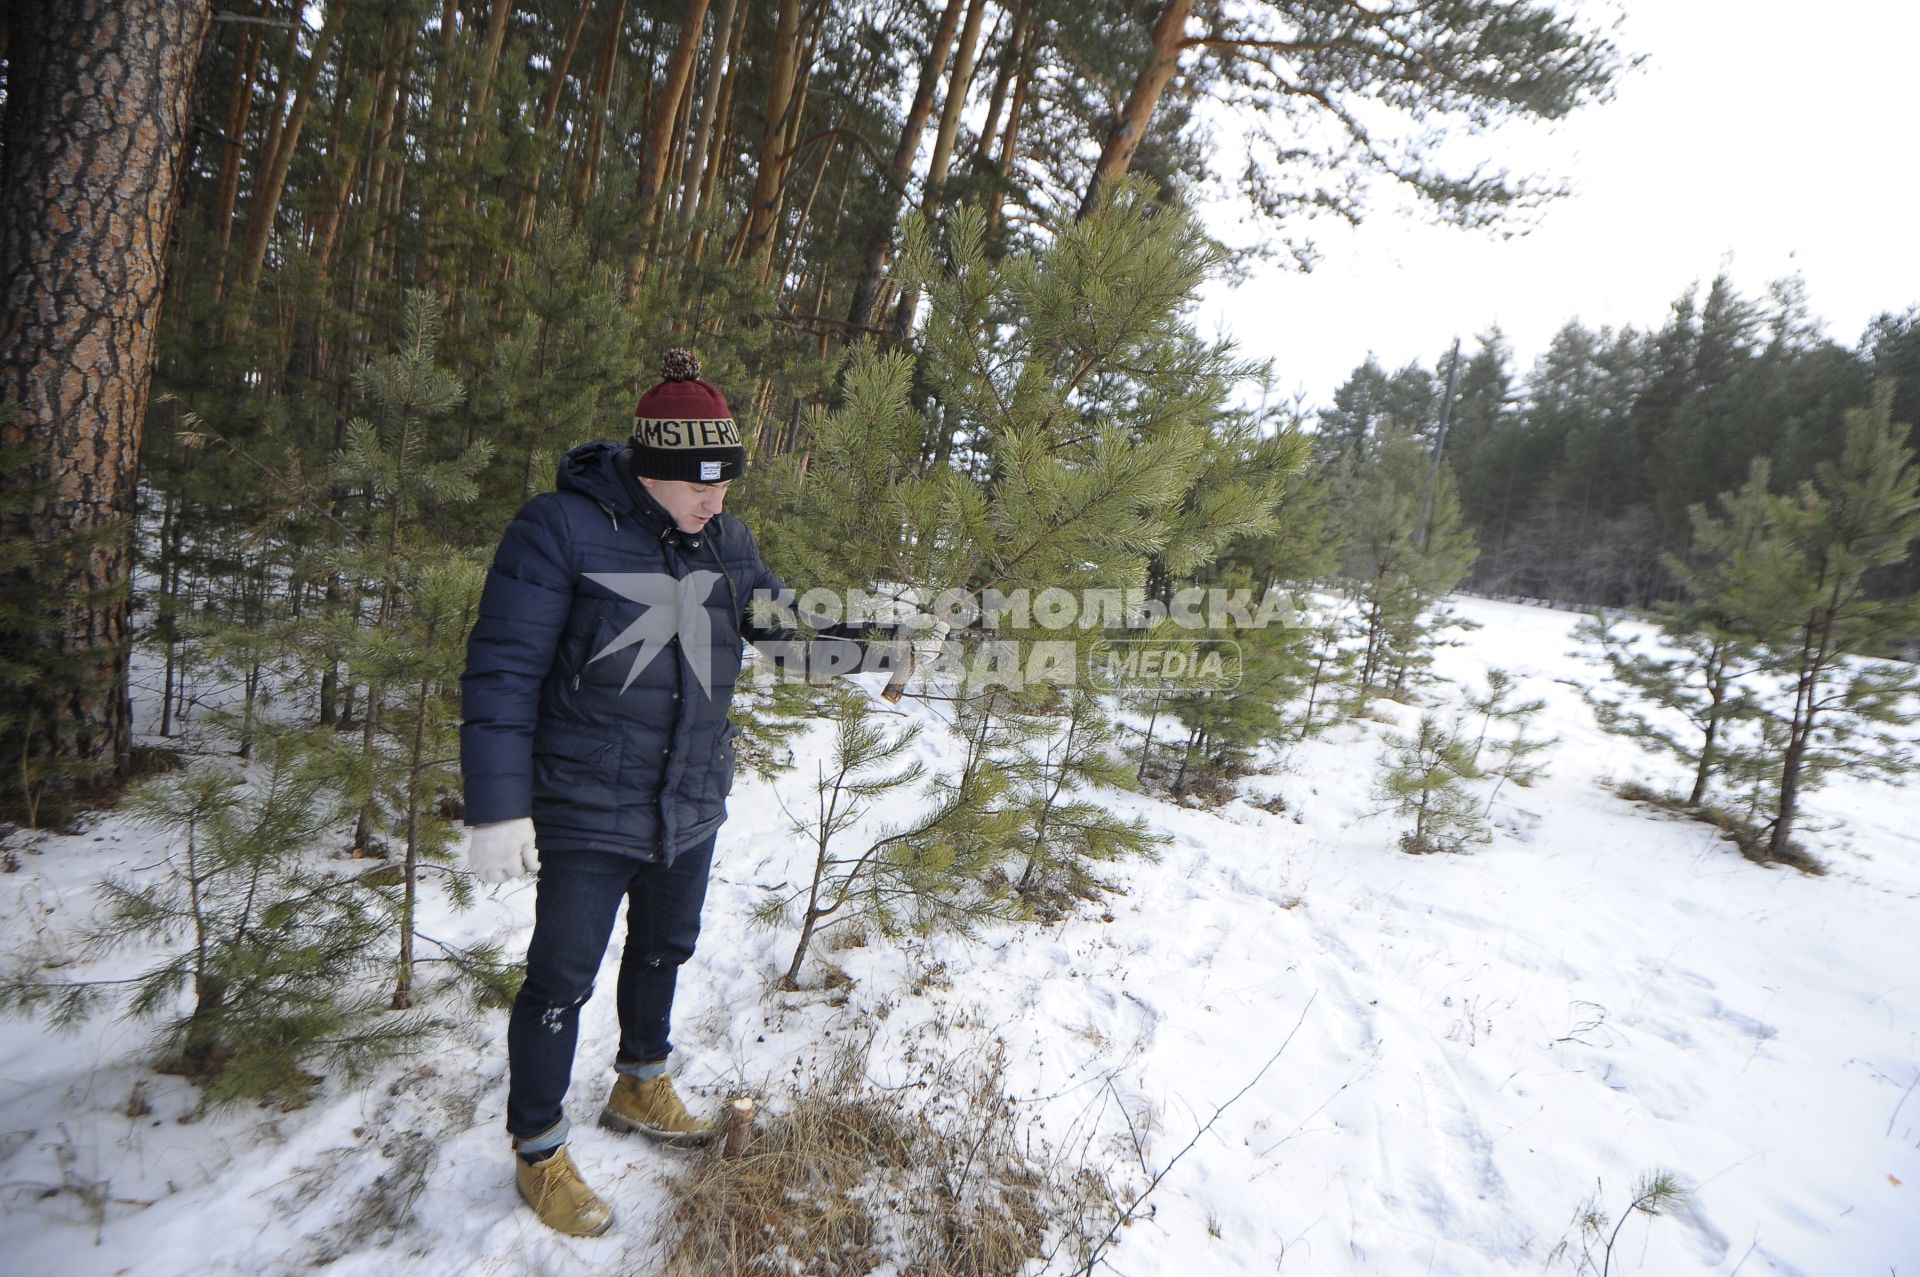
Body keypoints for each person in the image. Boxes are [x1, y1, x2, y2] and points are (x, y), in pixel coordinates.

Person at [459, 350, 894, 1236]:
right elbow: (501, 671)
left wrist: (872, 644)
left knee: (666, 948)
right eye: (701, 485)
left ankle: (641, 1080)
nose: (717, 501)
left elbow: (783, 631)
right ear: (651, 469)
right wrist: (498, 806)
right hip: (586, 801)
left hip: (689, 797)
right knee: (558, 979)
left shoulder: (727, 542)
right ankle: (538, 1146)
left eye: (726, 484)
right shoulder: (558, 530)